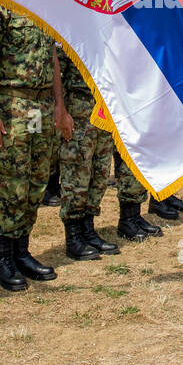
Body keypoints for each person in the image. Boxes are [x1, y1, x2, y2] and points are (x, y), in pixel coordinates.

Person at [0, 1, 72, 292]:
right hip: (11, 103)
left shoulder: (40, 5)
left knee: (35, 183)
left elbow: (52, 60)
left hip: (39, 107)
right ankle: (4, 259)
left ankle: (22, 251)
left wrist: (59, 106)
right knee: (11, 185)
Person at [56, 46, 126, 255]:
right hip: (78, 108)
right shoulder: (71, 27)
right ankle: (73, 235)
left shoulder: (107, 30)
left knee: (100, 173)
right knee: (77, 173)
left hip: (103, 109)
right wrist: (61, 109)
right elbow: (56, 73)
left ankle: (88, 228)